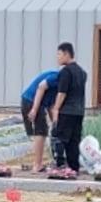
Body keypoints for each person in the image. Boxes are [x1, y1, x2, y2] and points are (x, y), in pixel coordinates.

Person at [48, 42, 87, 174]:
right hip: (79, 111)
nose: (57, 58)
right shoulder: (82, 72)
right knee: (74, 140)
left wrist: (56, 109)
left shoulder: (65, 72)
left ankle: (59, 165)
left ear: (66, 54)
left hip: (67, 110)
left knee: (60, 138)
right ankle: (73, 168)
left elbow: (62, 93)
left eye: (59, 54)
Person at [19, 66, 60, 172]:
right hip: (31, 101)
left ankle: (37, 163)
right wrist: (34, 109)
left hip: (33, 102)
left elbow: (51, 105)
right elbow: (41, 88)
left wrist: (56, 124)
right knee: (40, 132)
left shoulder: (59, 84)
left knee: (41, 131)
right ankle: (37, 165)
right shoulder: (57, 77)